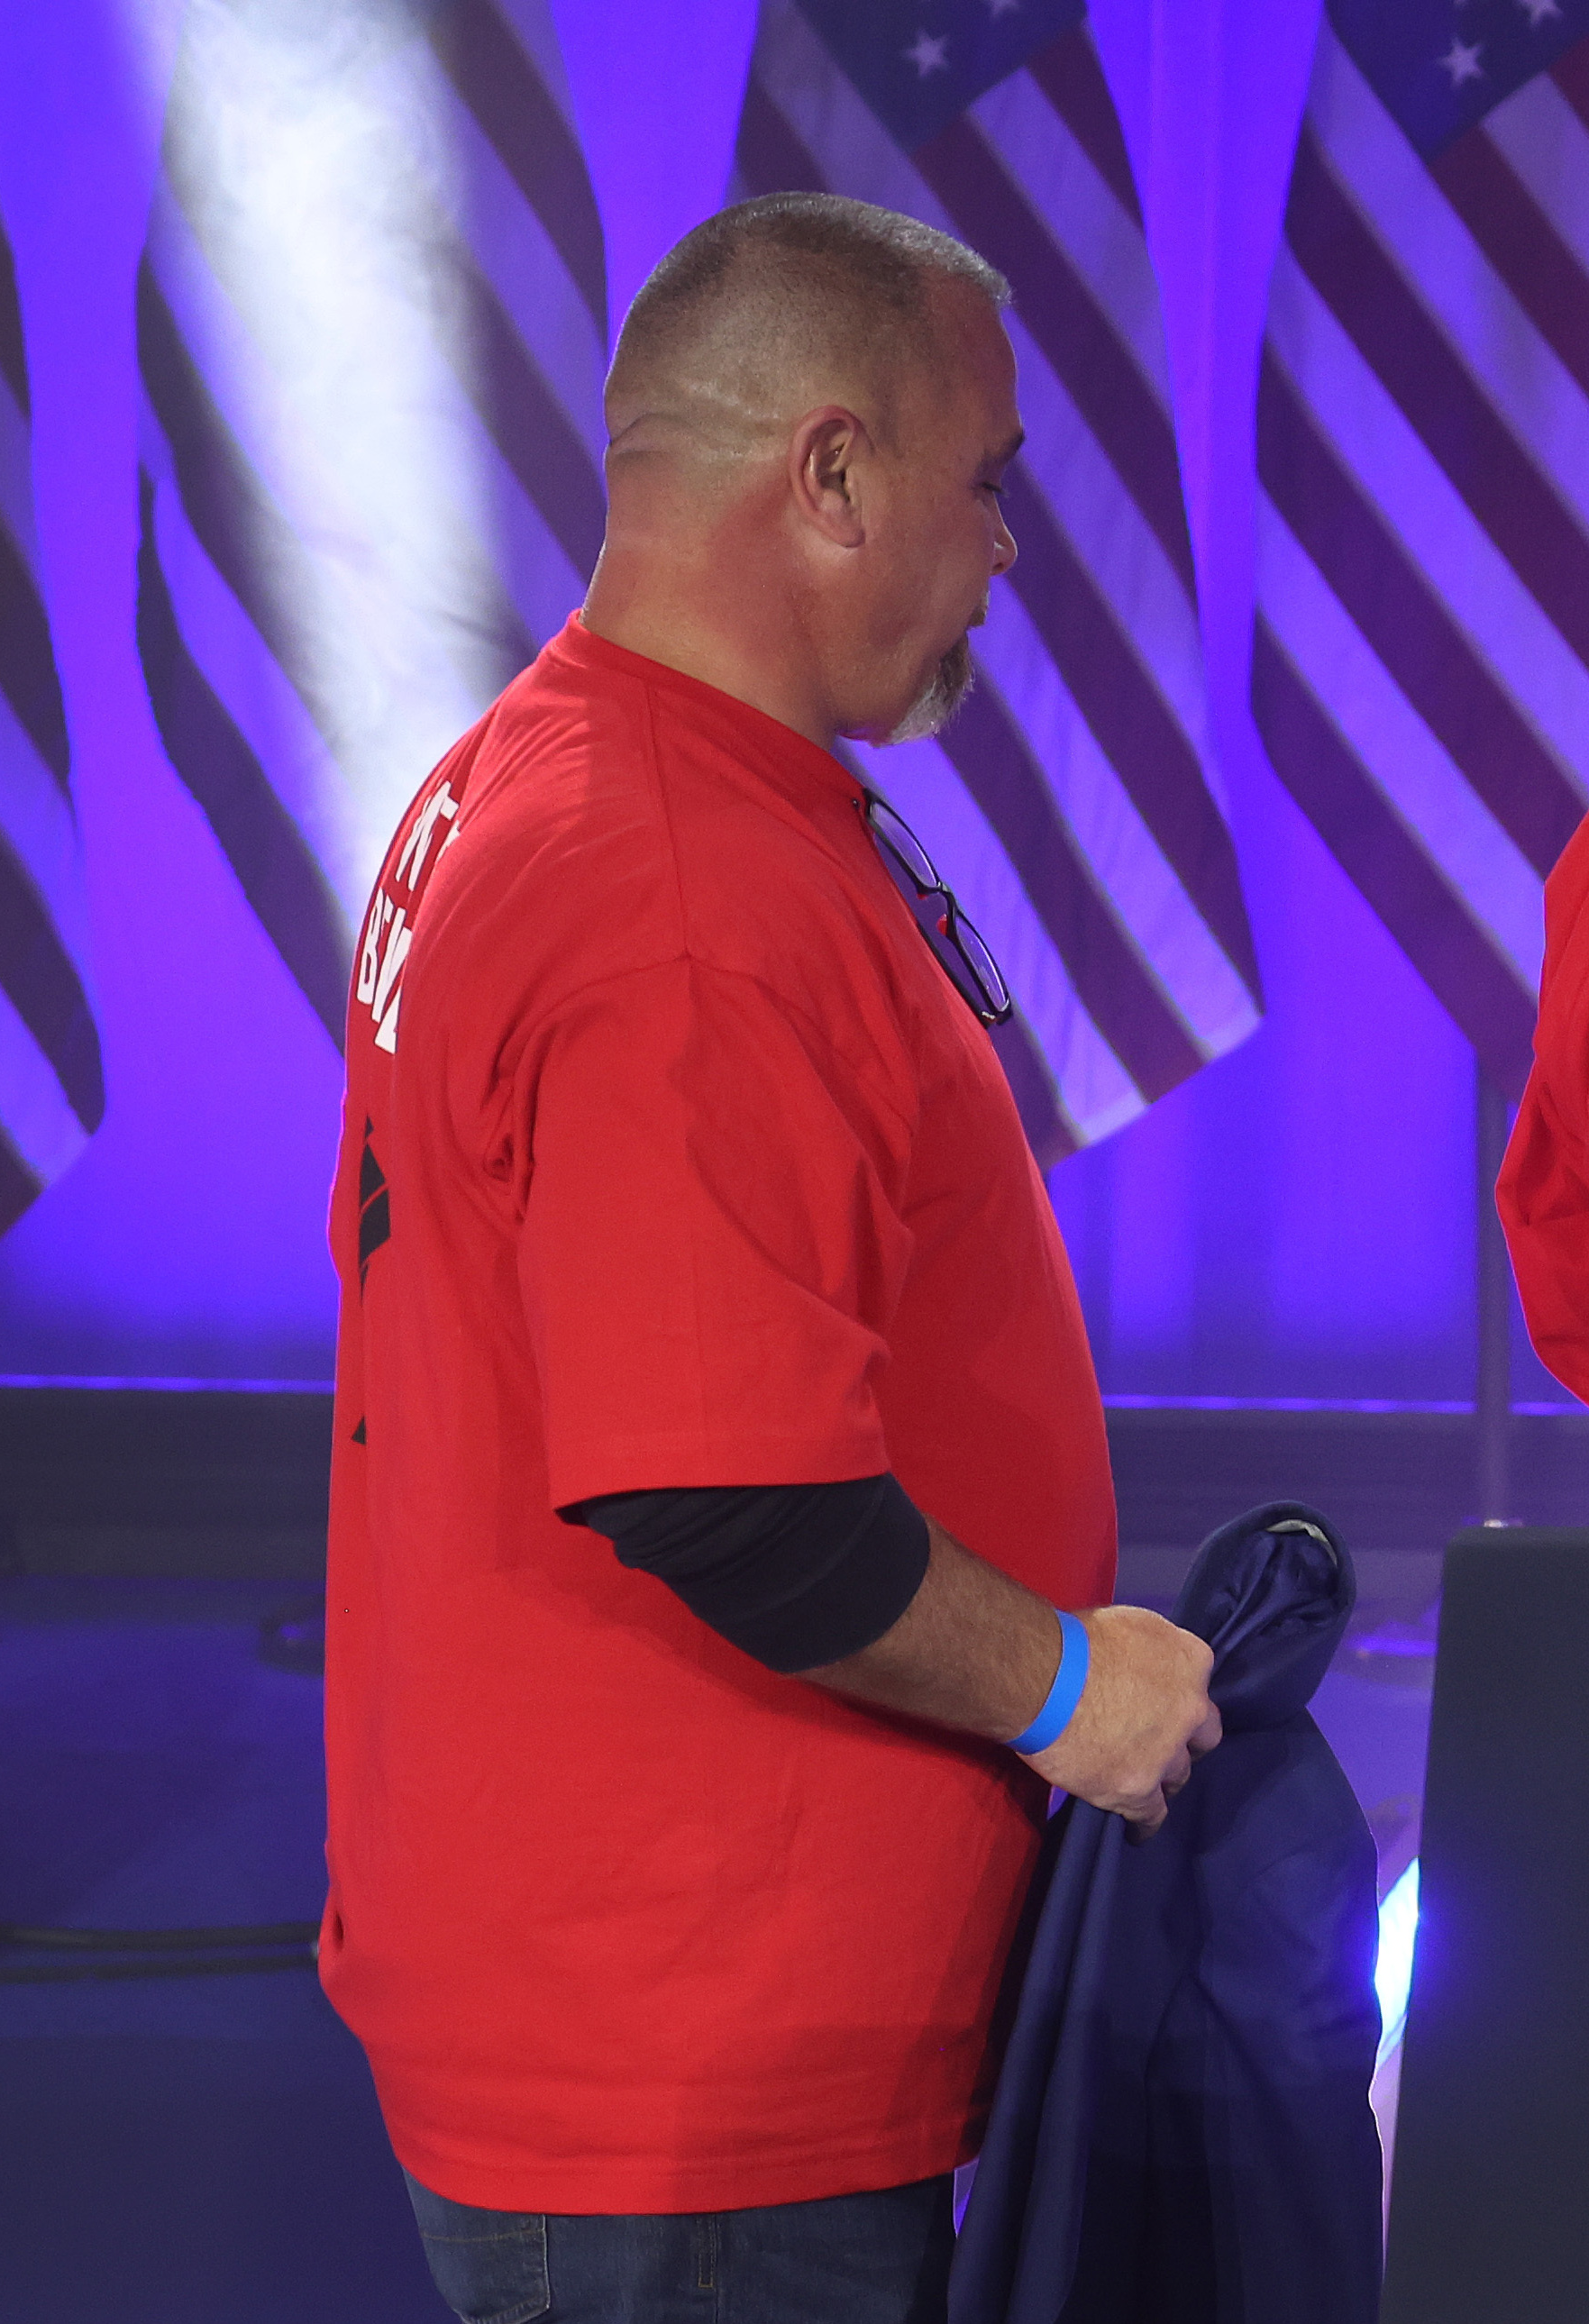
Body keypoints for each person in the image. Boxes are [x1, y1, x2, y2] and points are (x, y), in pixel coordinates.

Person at [321, 194, 1219, 2324]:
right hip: (691, 2053)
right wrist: (1078, 1688)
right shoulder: (677, 893)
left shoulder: (551, 759)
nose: (1006, 551)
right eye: (983, 481)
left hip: (627, 1977)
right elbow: (727, 1494)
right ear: (828, 472)